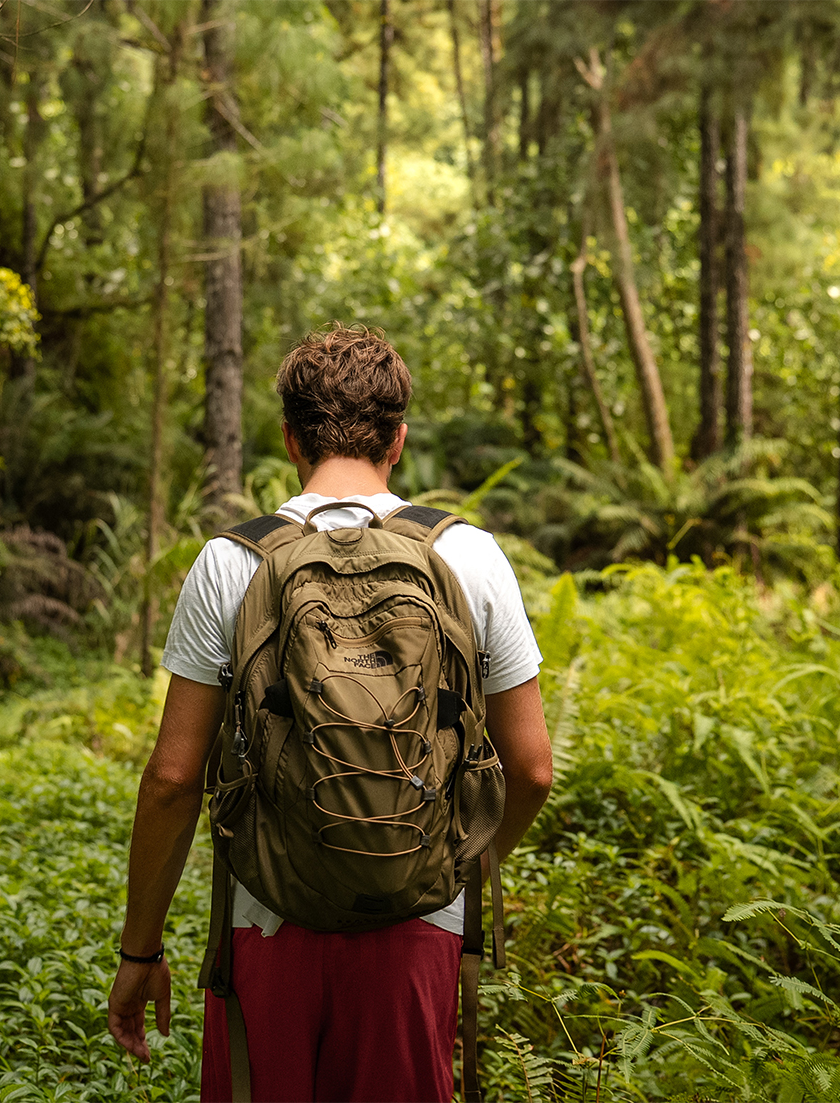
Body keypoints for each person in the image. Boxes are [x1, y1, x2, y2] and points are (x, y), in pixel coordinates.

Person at [107, 324, 554, 1102]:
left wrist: (139, 952)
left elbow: (174, 778)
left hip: (265, 916)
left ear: (291, 437)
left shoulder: (231, 561)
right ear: (398, 439)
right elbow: (533, 768)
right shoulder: (471, 556)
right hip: (419, 924)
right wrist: (448, 866)